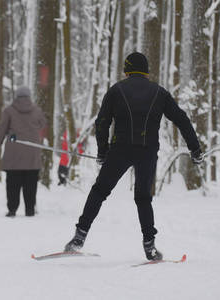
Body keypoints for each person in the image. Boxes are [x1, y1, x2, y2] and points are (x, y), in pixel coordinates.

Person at [64, 52, 204, 260]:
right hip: (147, 152)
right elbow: (181, 119)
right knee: (143, 198)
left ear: (127, 70)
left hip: (120, 150)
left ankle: (79, 237)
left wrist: (103, 152)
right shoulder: (159, 93)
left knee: (99, 191)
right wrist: (195, 149)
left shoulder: (116, 90)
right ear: (146, 71)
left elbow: (102, 123)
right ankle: (150, 246)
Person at [0, 86, 47, 217]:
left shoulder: (9, 111)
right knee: (31, 184)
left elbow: (2, 128)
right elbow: (42, 124)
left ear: (16, 96)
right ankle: (30, 210)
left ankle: (12, 210)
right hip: (32, 154)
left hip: (14, 154)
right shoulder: (37, 111)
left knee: (13, 183)